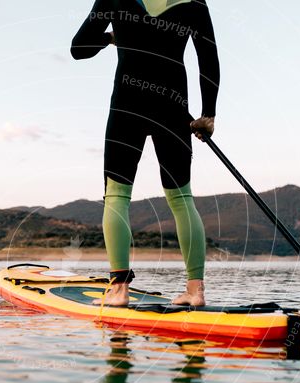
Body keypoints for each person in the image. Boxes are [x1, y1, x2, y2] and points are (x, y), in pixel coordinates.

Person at [71, 0, 220, 307]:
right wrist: (208, 114)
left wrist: (112, 37)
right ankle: (196, 290)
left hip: (128, 105)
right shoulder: (194, 1)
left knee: (116, 195)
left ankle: (119, 289)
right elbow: (209, 56)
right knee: (181, 198)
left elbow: (79, 47)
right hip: (173, 105)